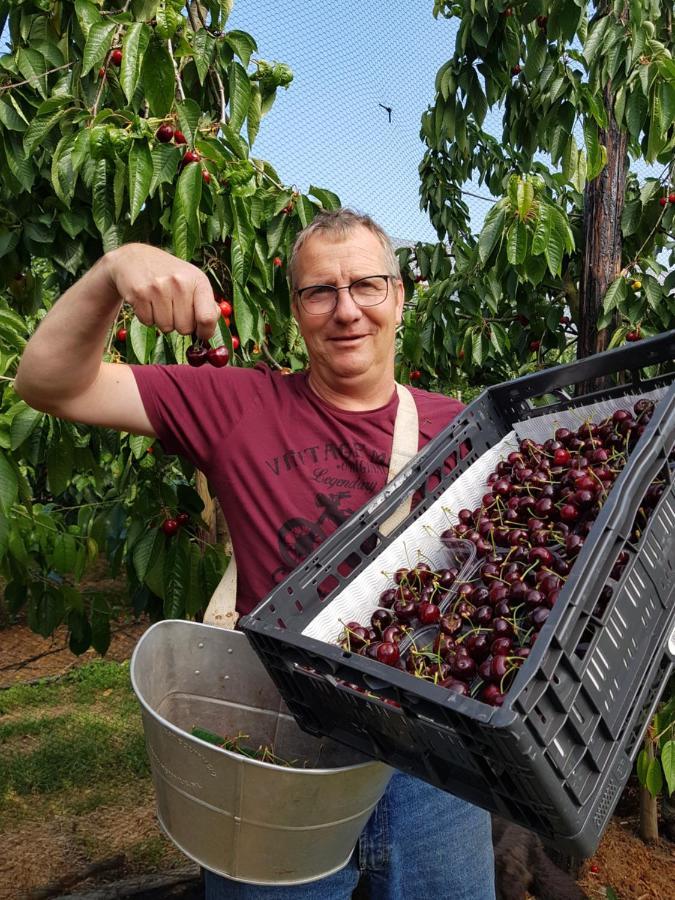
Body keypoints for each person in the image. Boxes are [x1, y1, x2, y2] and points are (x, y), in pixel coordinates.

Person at [15, 208, 496, 899]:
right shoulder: (236, 404)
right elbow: (48, 382)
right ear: (295, 311)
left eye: (367, 285)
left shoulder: (462, 431)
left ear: (398, 296)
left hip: (430, 767)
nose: (346, 310)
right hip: (278, 756)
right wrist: (113, 271)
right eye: (319, 291)